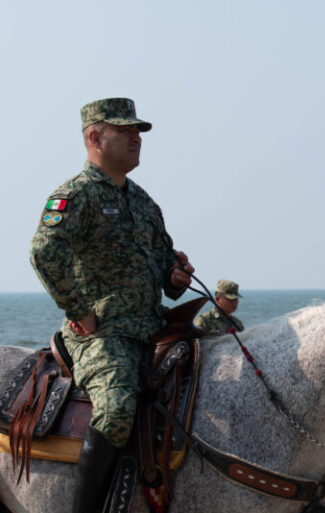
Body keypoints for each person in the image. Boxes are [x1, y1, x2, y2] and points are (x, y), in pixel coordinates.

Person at [29, 98, 195, 513]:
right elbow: (43, 252)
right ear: (94, 137)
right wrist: (77, 309)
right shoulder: (75, 195)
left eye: (138, 131)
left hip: (154, 326)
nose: (136, 138)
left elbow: (161, 259)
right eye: (126, 131)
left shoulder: (143, 202)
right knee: (117, 409)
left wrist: (173, 276)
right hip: (105, 333)